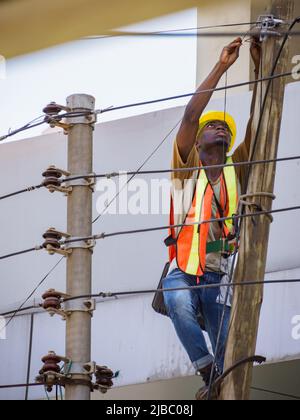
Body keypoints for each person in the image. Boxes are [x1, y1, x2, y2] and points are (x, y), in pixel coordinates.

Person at [162, 37, 261, 398]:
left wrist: (261, 69)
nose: (220, 128)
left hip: (217, 273)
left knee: (230, 352)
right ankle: (207, 374)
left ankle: (220, 383)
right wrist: (222, 66)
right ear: (198, 142)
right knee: (177, 304)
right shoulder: (186, 169)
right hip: (183, 270)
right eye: (211, 127)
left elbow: (261, 121)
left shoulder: (239, 169)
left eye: (226, 130)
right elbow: (191, 114)